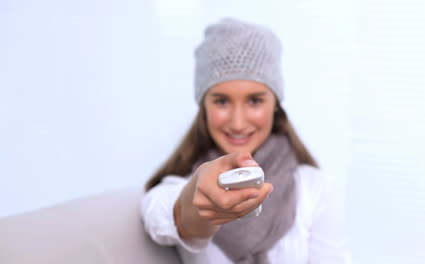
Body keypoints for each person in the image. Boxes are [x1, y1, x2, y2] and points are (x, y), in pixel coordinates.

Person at [141, 17, 351, 264]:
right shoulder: (177, 185)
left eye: (254, 101)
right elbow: (162, 214)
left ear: (275, 104)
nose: (238, 123)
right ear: (204, 107)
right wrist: (198, 196)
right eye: (221, 101)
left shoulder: (317, 189)